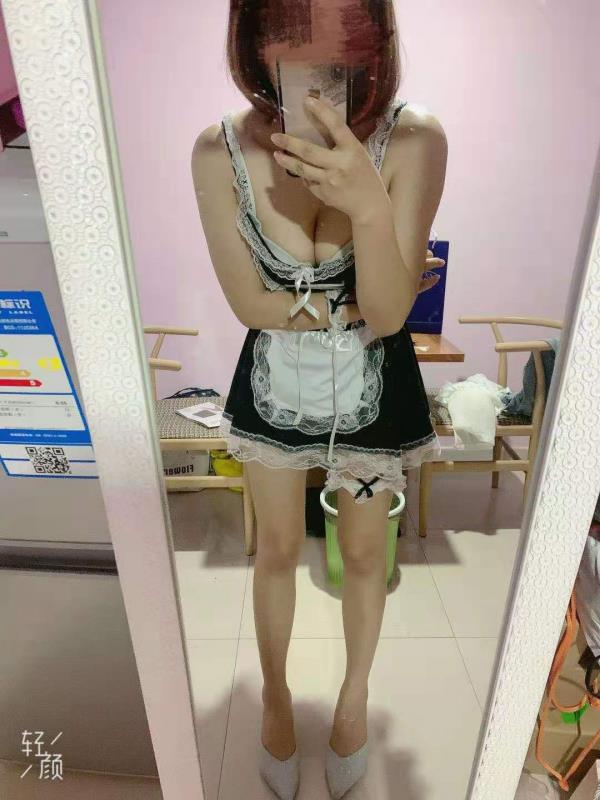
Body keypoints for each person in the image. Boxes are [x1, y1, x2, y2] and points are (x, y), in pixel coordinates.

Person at [191, 2, 447, 797]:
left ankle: (352, 700)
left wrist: (369, 204)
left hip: (373, 394)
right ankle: (274, 699)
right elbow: (248, 304)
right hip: (273, 388)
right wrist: (356, 304)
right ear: (253, 33)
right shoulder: (219, 151)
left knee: (366, 555)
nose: (312, 48)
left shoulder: (413, 139)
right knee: (274, 550)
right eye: (287, 24)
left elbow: (392, 315)